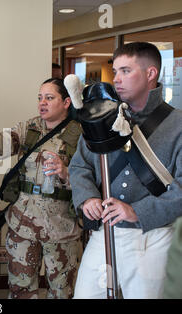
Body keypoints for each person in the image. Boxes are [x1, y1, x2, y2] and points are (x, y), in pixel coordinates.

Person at [0, 78, 83, 299]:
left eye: (50, 98)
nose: (42, 103)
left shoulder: (80, 135)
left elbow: (92, 179)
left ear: (67, 102)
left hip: (61, 227)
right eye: (40, 98)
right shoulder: (29, 128)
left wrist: (66, 173)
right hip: (23, 223)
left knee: (62, 291)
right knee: (20, 289)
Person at [69, 42, 182, 298]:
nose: (116, 79)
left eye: (125, 71)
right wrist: (88, 197)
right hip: (105, 233)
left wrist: (137, 211)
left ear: (150, 74)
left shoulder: (178, 125)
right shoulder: (100, 116)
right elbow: (80, 165)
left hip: (153, 237)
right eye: (116, 71)